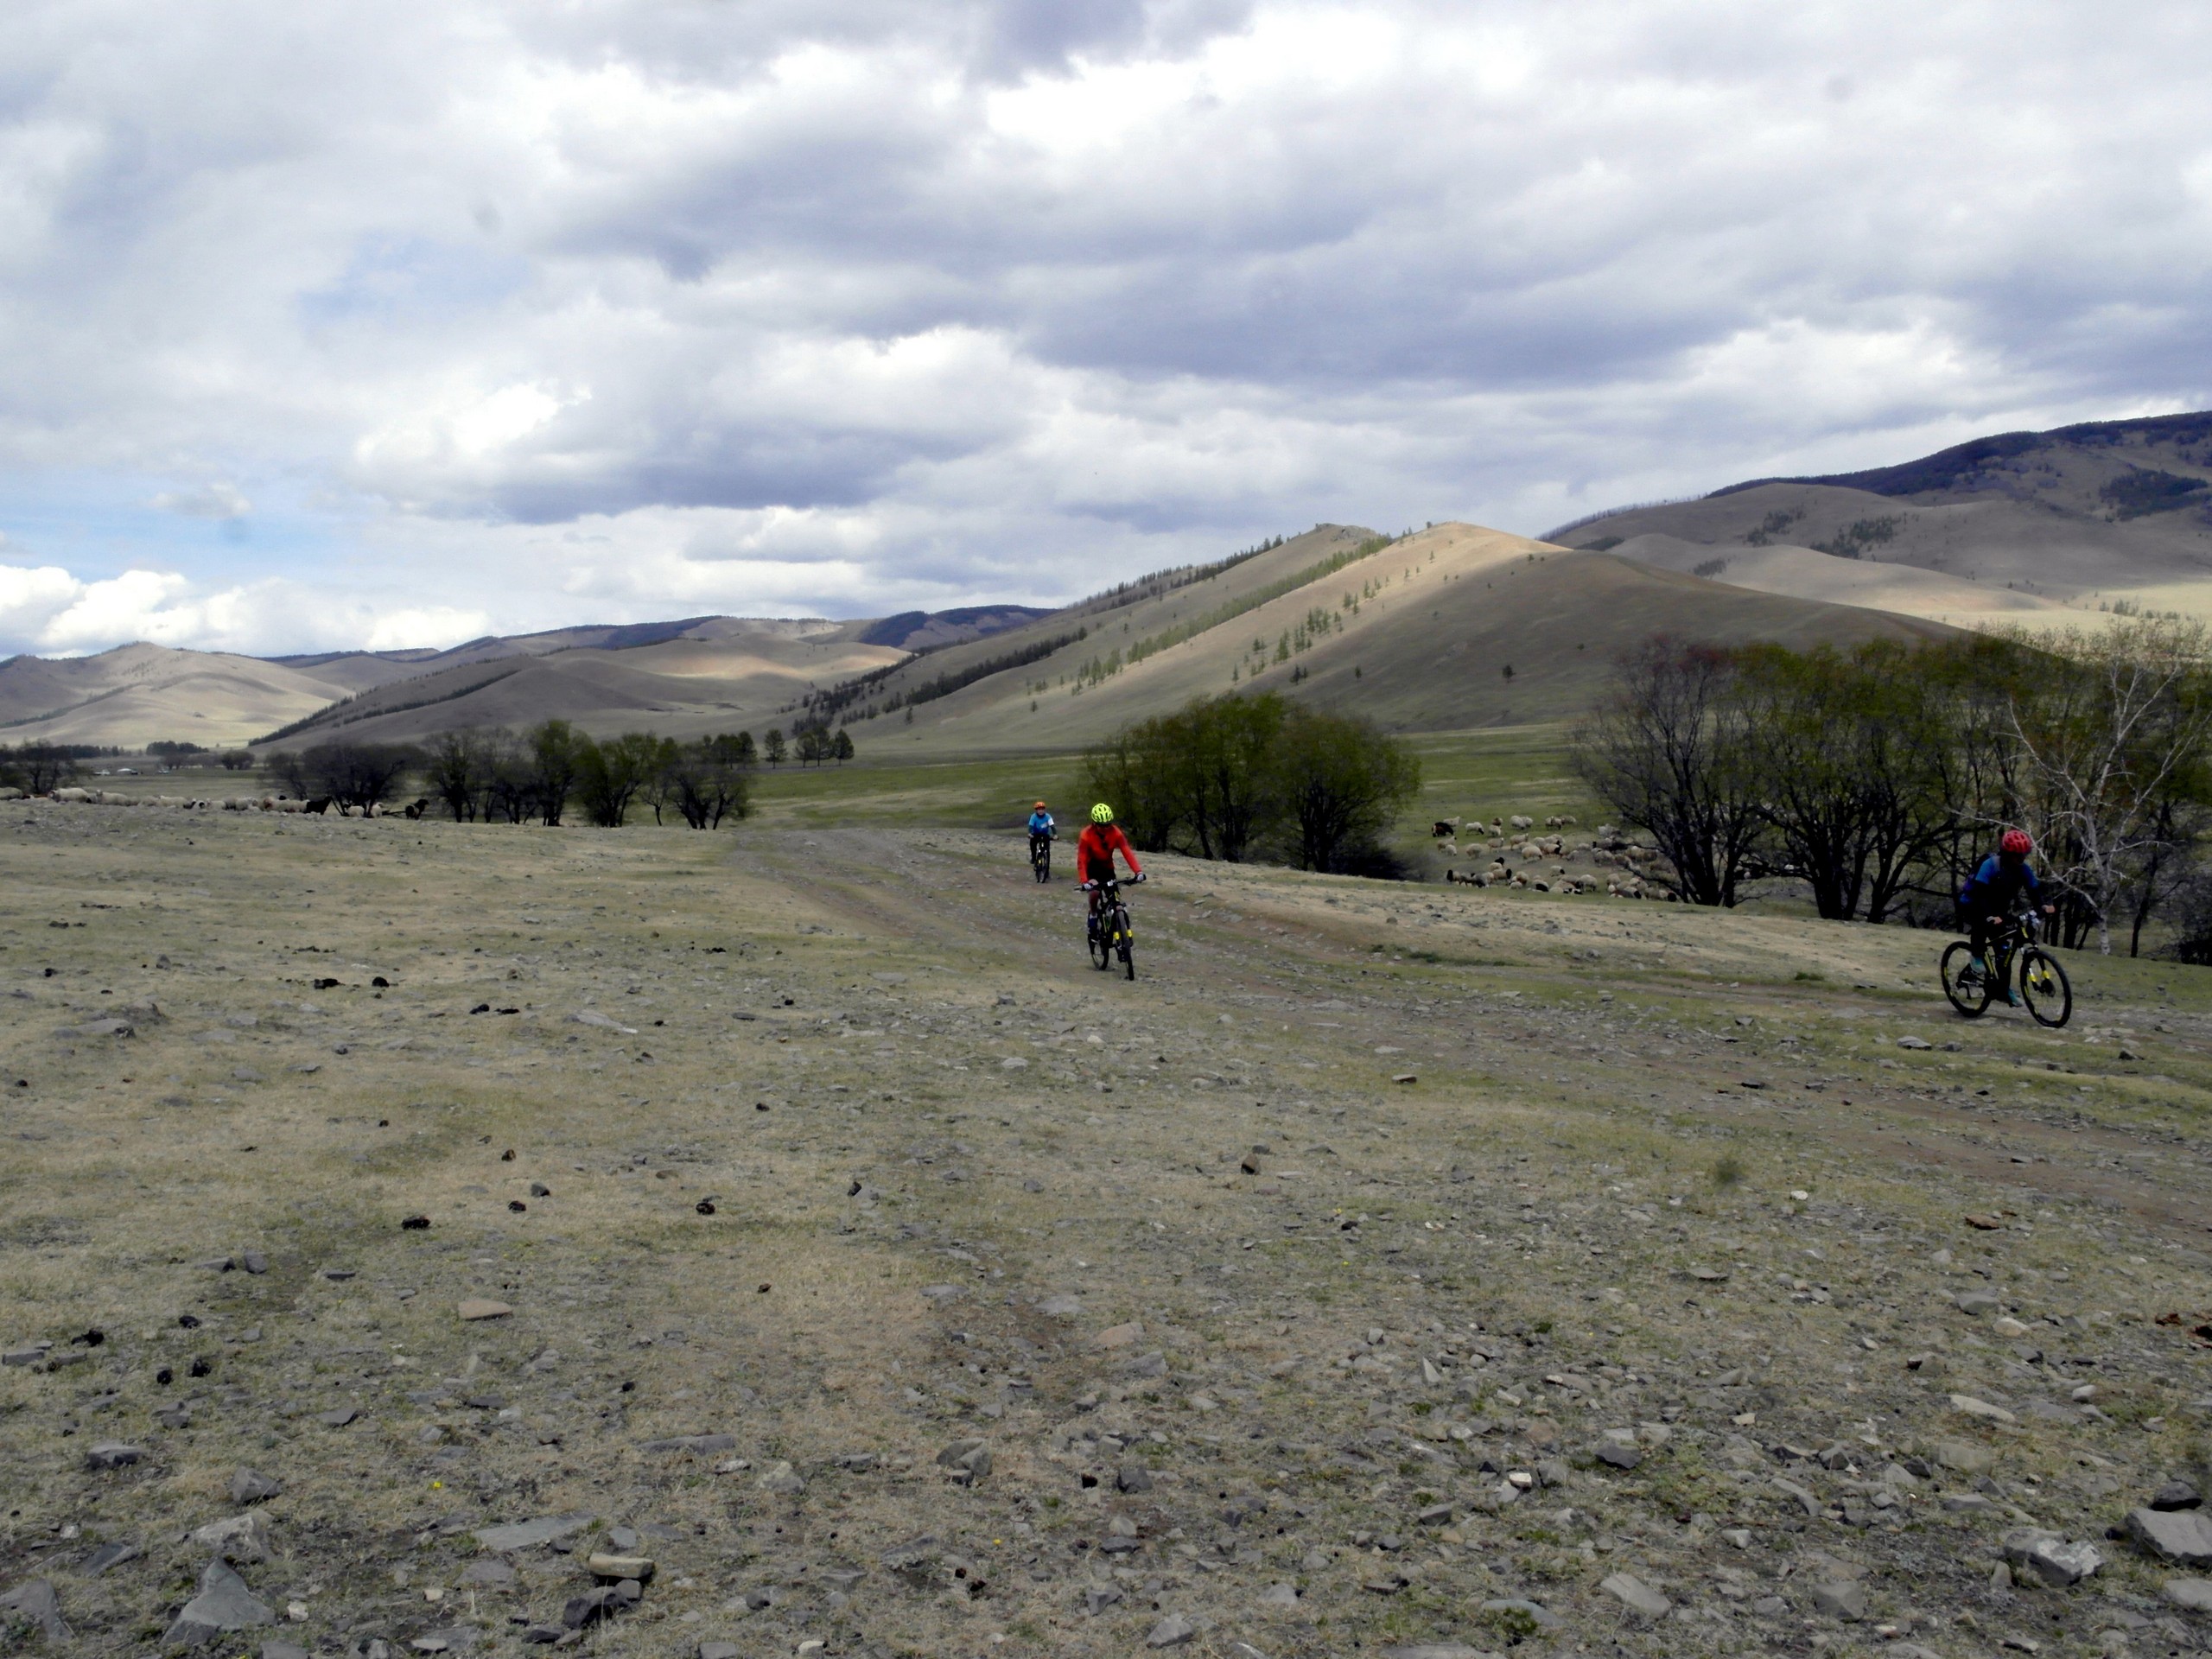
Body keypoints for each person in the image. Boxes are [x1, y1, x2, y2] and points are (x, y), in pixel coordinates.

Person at [1958, 829, 2053, 1005]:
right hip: (1974, 903)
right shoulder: (1991, 865)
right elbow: (1980, 895)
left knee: (2004, 952)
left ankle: (2002, 990)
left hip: (1998, 908)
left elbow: (2034, 891)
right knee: (1982, 925)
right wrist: (1989, 917)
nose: (2021, 859)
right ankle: (1977, 955)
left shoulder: (2023, 870)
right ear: (2007, 854)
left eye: (2024, 855)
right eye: (2018, 856)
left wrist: (2043, 906)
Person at [1075, 802, 1144, 939]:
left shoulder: (1116, 832)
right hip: (1092, 868)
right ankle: (1094, 915)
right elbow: (1081, 860)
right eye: (1102, 825)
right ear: (1094, 824)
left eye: (1108, 824)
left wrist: (1138, 872)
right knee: (1094, 892)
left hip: (1107, 868)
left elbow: (1127, 852)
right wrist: (1084, 881)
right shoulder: (1086, 835)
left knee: (1117, 903)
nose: (1106, 828)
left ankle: (1121, 930)